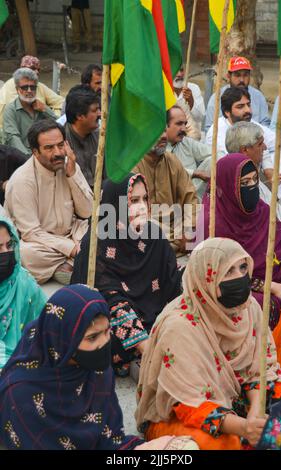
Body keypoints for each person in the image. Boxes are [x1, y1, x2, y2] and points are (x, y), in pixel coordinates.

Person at [135, 238, 281, 450]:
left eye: (242, 267)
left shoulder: (247, 308)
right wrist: (243, 427)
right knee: (224, 443)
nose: (240, 277)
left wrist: (255, 413)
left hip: (236, 397)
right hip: (180, 413)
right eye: (228, 272)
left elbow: (258, 370)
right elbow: (185, 405)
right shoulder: (180, 328)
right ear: (206, 279)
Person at [0, 284, 197, 450]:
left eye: (107, 331)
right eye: (92, 337)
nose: (104, 343)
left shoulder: (95, 370)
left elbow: (109, 438)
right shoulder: (20, 394)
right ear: (63, 340)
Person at [71, 173, 183, 377]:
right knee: (104, 332)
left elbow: (172, 282)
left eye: (144, 199)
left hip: (154, 314)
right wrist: (145, 346)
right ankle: (144, 354)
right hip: (112, 319)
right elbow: (105, 296)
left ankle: (139, 355)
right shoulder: (97, 243)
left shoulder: (153, 236)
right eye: (133, 201)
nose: (142, 207)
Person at [200, 154, 281, 329]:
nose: (252, 187)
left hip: (278, 266)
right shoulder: (212, 223)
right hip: (242, 284)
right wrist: (273, 287)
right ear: (228, 187)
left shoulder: (260, 209)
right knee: (256, 306)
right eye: (244, 183)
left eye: (254, 180)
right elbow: (218, 275)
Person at [4, 119, 93, 285]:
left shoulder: (69, 165)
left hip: (73, 233)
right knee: (24, 253)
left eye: (61, 145)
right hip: (40, 244)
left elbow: (87, 212)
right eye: (49, 148)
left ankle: (65, 267)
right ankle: (71, 264)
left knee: (102, 230)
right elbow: (31, 232)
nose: (58, 152)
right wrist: (71, 248)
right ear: (35, 152)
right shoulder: (22, 180)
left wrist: (72, 175)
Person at [206, 87, 281, 198]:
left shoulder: (250, 123)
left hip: (262, 180)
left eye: (248, 105)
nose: (248, 110)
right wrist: (268, 169)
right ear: (227, 112)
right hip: (237, 187)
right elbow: (235, 163)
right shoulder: (217, 132)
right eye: (240, 106)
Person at [133, 132, 199, 255]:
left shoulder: (172, 160)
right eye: (156, 131)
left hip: (177, 230)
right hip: (147, 231)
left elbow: (190, 197)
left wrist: (188, 229)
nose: (163, 136)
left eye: (164, 131)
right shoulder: (131, 164)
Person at [225, 122, 281, 229]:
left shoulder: (250, 170)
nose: (265, 148)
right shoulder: (242, 178)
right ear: (245, 150)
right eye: (260, 144)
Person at [0, 216, 46, 369]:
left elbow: (46, 325)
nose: (6, 252)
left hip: (19, 363)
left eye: (9, 245)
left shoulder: (24, 282)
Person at [204, 56, 270, 132]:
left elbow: (265, 125)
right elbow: (209, 128)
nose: (242, 79)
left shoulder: (258, 96)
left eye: (245, 75)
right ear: (228, 76)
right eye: (237, 75)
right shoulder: (216, 98)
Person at [3, 68, 57, 156]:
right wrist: (29, 158)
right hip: (21, 158)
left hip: (44, 155)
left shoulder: (41, 107)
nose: (29, 91)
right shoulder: (11, 110)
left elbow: (58, 125)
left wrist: (45, 110)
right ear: (17, 89)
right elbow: (13, 139)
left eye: (32, 87)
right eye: (24, 87)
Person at [0, 55, 64, 127]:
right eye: (32, 68)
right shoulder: (11, 85)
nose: (36, 72)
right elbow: (24, 112)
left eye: (38, 69)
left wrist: (51, 111)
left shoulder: (39, 85)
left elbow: (60, 101)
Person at [166, 105, 214, 200]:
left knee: (213, 160)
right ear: (165, 125)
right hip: (169, 199)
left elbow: (216, 153)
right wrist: (195, 173)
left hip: (192, 196)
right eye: (179, 124)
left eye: (185, 124)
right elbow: (166, 171)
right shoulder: (156, 147)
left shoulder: (186, 142)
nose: (184, 129)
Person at [64, 85, 101, 187]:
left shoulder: (101, 138)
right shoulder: (60, 141)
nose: (100, 114)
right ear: (79, 116)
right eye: (94, 110)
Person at [173, 65, 205, 137]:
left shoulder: (194, 88)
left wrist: (191, 102)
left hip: (191, 139)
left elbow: (200, 117)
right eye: (175, 70)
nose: (179, 74)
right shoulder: (163, 90)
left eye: (181, 70)